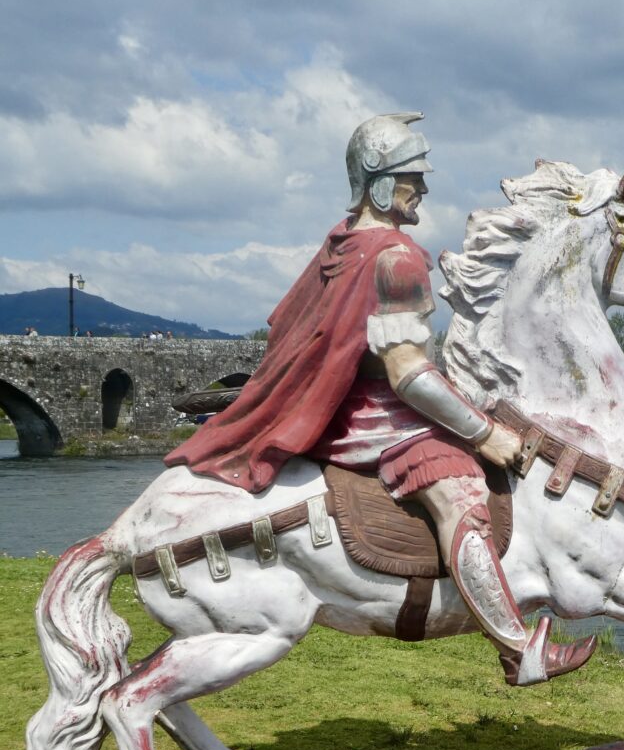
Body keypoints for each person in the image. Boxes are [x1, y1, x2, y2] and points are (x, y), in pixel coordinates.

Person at [167, 112, 594, 685]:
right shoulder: (396, 256)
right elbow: (409, 376)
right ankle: (519, 649)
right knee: (460, 494)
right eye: (414, 176)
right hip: (380, 422)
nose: (424, 189)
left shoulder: (338, 247)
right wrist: (486, 434)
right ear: (381, 179)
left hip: (338, 408)